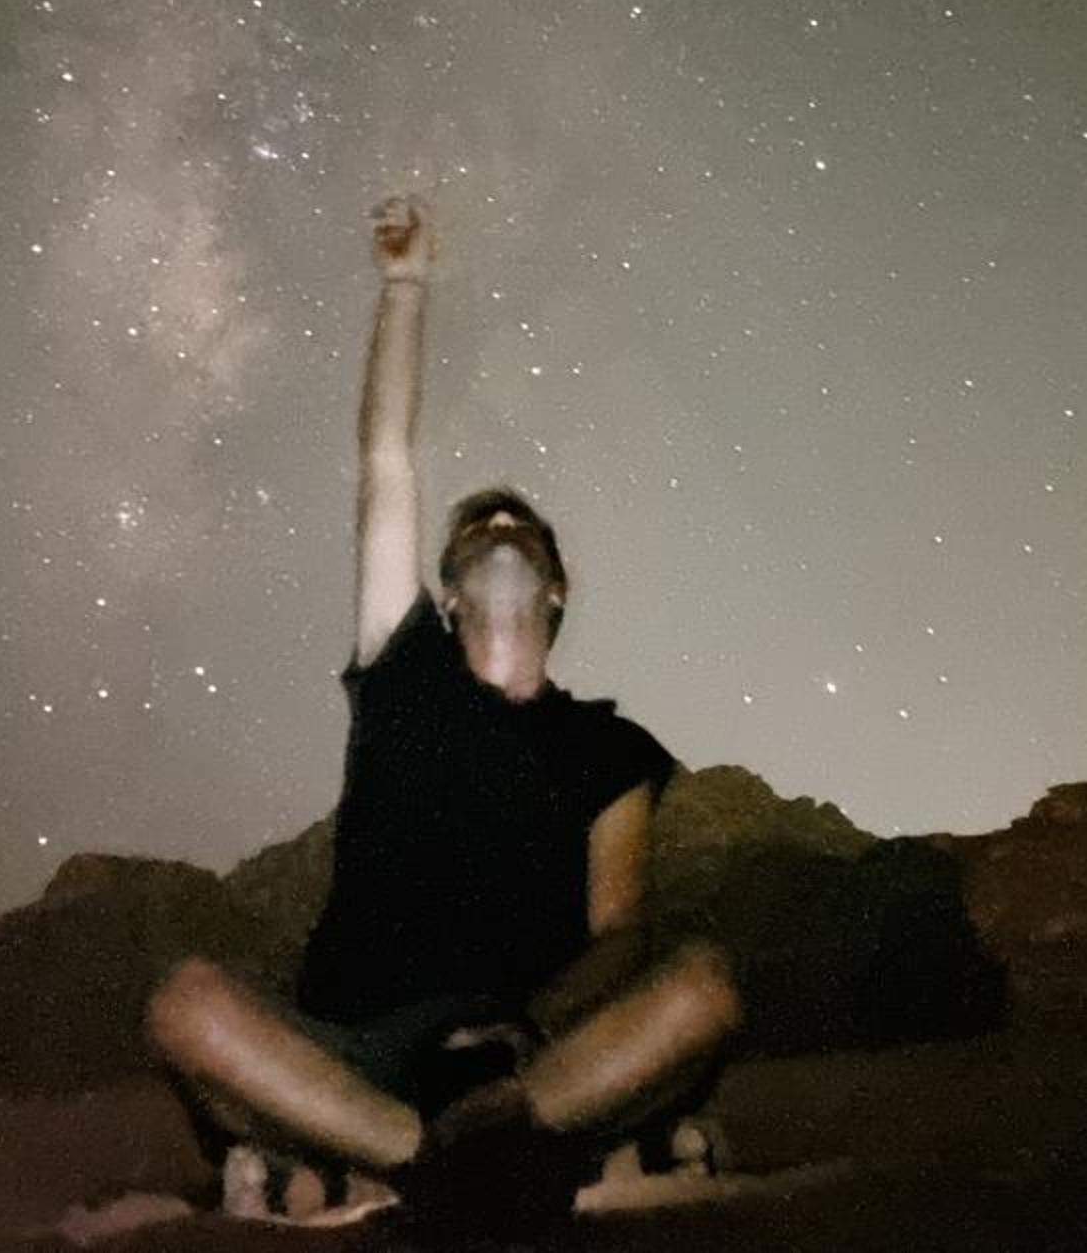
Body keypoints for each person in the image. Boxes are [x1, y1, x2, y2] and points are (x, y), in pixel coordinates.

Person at [144, 194, 742, 1229]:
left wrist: (527, 1028)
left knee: (707, 988)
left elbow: (619, 930)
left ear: (556, 586)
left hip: (526, 1057)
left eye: (520, 528)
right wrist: (406, 284)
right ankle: (463, 1162)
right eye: (475, 531)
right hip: (362, 1048)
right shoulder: (404, 668)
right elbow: (386, 463)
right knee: (186, 1004)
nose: (498, 527)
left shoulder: (608, 748)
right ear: (451, 592)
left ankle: (385, 1168)